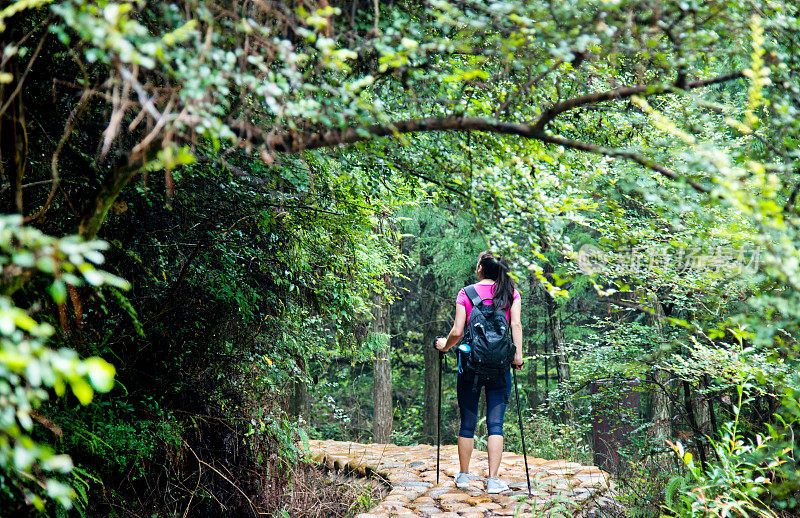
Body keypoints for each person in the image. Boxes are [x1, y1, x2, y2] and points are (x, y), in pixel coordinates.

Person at [436, 251, 523, 494]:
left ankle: (463, 476)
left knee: (468, 422)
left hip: (471, 366)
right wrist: (518, 357)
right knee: (496, 424)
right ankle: (493, 480)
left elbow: (456, 331)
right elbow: (515, 325)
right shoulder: (510, 293)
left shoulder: (466, 293)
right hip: (500, 367)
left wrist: (445, 346)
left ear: (480, 269)